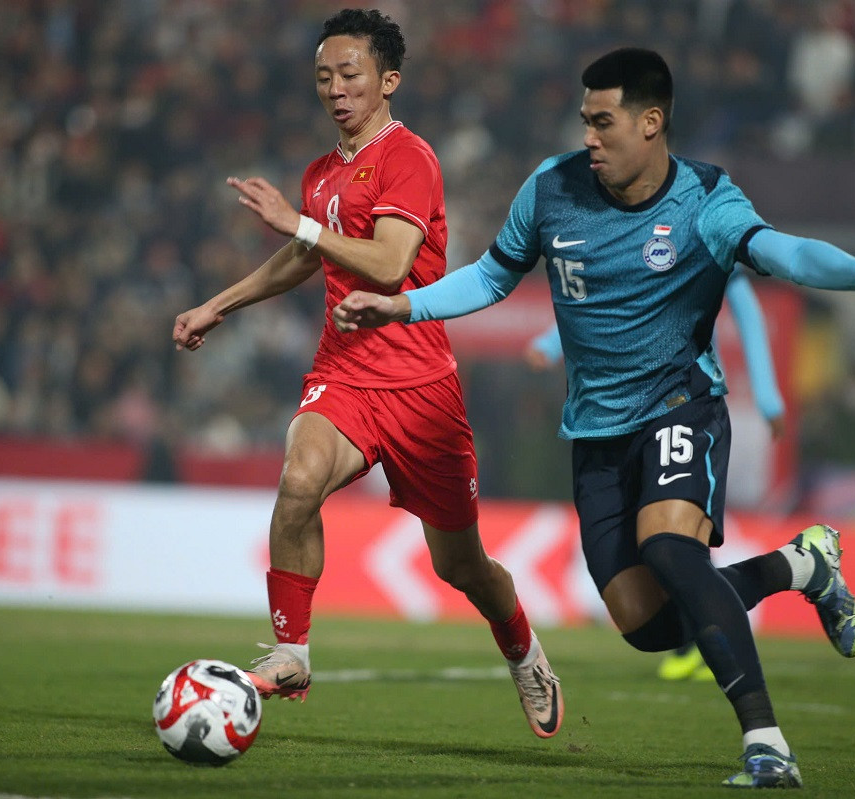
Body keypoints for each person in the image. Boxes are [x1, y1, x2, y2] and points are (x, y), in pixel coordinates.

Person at [332, 47, 855, 788]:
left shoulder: (706, 199)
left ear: (651, 122)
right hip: (596, 431)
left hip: (682, 404)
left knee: (673, 552)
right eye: (585, 120)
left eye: (603, 122)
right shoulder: (551, 188)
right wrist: (403, 305)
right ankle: (801, 565)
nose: (588, 136)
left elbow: (785, 253)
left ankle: (766, 742)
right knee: (646, 624)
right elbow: (491, 276)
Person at [171, 9, 562, 739]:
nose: (335, 88)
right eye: (324, 76)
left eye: (349, 73)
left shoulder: (410, 158)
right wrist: (217, 304)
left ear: (388, 80)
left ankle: (522, 650)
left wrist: (300, 225)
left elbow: (387, 262)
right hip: (345, 372)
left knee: (461, 566)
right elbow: (305, 255)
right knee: (298, 479)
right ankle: (292, 652)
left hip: (421, 391)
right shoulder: (322, 173)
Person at [526, 269, 787, 684]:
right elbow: (607, 303)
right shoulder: (629, 245)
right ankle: (714, 626)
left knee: (677, 538)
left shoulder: (708, 239)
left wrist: (769, 397)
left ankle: (706, 643)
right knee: (662, 542)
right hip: (628, 414)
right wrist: (551, 343)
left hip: (687, 405)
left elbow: (747, 312)